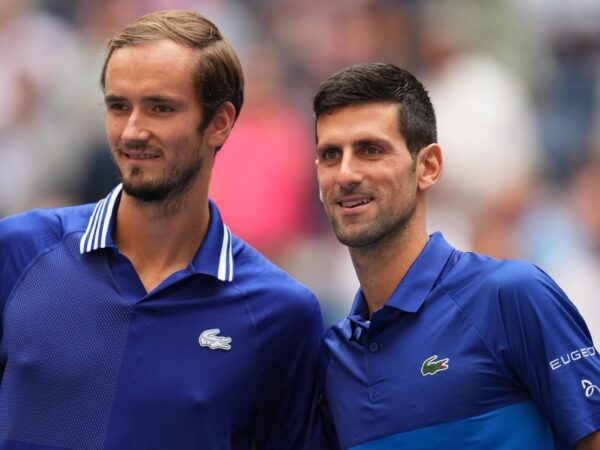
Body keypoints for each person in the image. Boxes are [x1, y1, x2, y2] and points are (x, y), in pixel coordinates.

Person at [0, 10, 328, 450]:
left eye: (160, 107)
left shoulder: (282, 314)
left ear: (220, 122)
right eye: (118, 106)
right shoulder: (18, 251)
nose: (133, 131)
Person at [313, 62, 600, 449]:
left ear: (428, 167)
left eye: (370, 150)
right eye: (331, 154)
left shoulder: (511, 295)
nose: (346, 173)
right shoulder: (332, 357)